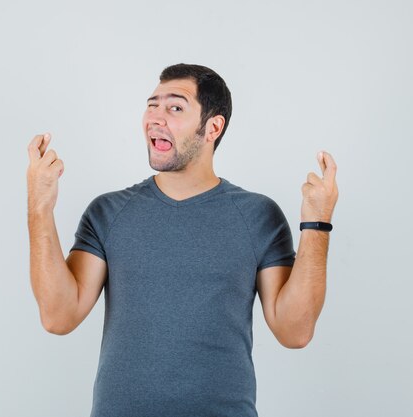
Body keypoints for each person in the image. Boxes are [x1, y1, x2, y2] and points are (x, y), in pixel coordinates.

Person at [26, 63, 338, 417]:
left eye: (175, 107)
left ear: (212, 127)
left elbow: (294, 331)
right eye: (152, 104)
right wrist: (40, 206)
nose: (156, 117)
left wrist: (317, 222)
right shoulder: (109, 212)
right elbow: (57, 315)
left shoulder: (257, 216)